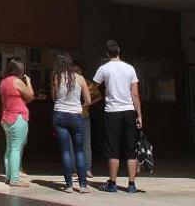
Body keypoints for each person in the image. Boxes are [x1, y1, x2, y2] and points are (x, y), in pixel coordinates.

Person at [92, 40, 142, 193]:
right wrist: (139, 115)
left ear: (107, 53)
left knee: (113, 149)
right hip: (129, 111)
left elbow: (92, 87)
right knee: (130, 149)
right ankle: (131, 185)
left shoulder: (104, 69)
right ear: (119, 51)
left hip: (112, 112)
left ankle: (112, 183)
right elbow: (135, 94)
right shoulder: (130, 69)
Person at [51, 53, 92, 193]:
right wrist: (79, 106)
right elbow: (88, 100)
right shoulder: (80, 78)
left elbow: (54, 98)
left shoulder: (56, 78)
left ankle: (68, 185)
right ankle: (83, 185)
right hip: (76, 115)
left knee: (65, 151)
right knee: (79, 150)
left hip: (60, 115)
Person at [0, 57, 34, 187]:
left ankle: (9, 177)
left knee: (9, 148)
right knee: (16, 148)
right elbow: (30, 95)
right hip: (18, 117)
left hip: (6, 118)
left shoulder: (3, 82)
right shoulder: (17, 82)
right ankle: (15, 179)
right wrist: (28, 82)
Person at [71, 61, 102, 178]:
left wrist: (87, 104)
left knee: (86, 144)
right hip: (71, 115)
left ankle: (87, 168)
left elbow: (98, 96)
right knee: (72, 144)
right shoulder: (67, 82)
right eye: (74, 70)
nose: (76, 73)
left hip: (84, 116)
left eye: (78, 70)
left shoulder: (87, 82)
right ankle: (74, 169)